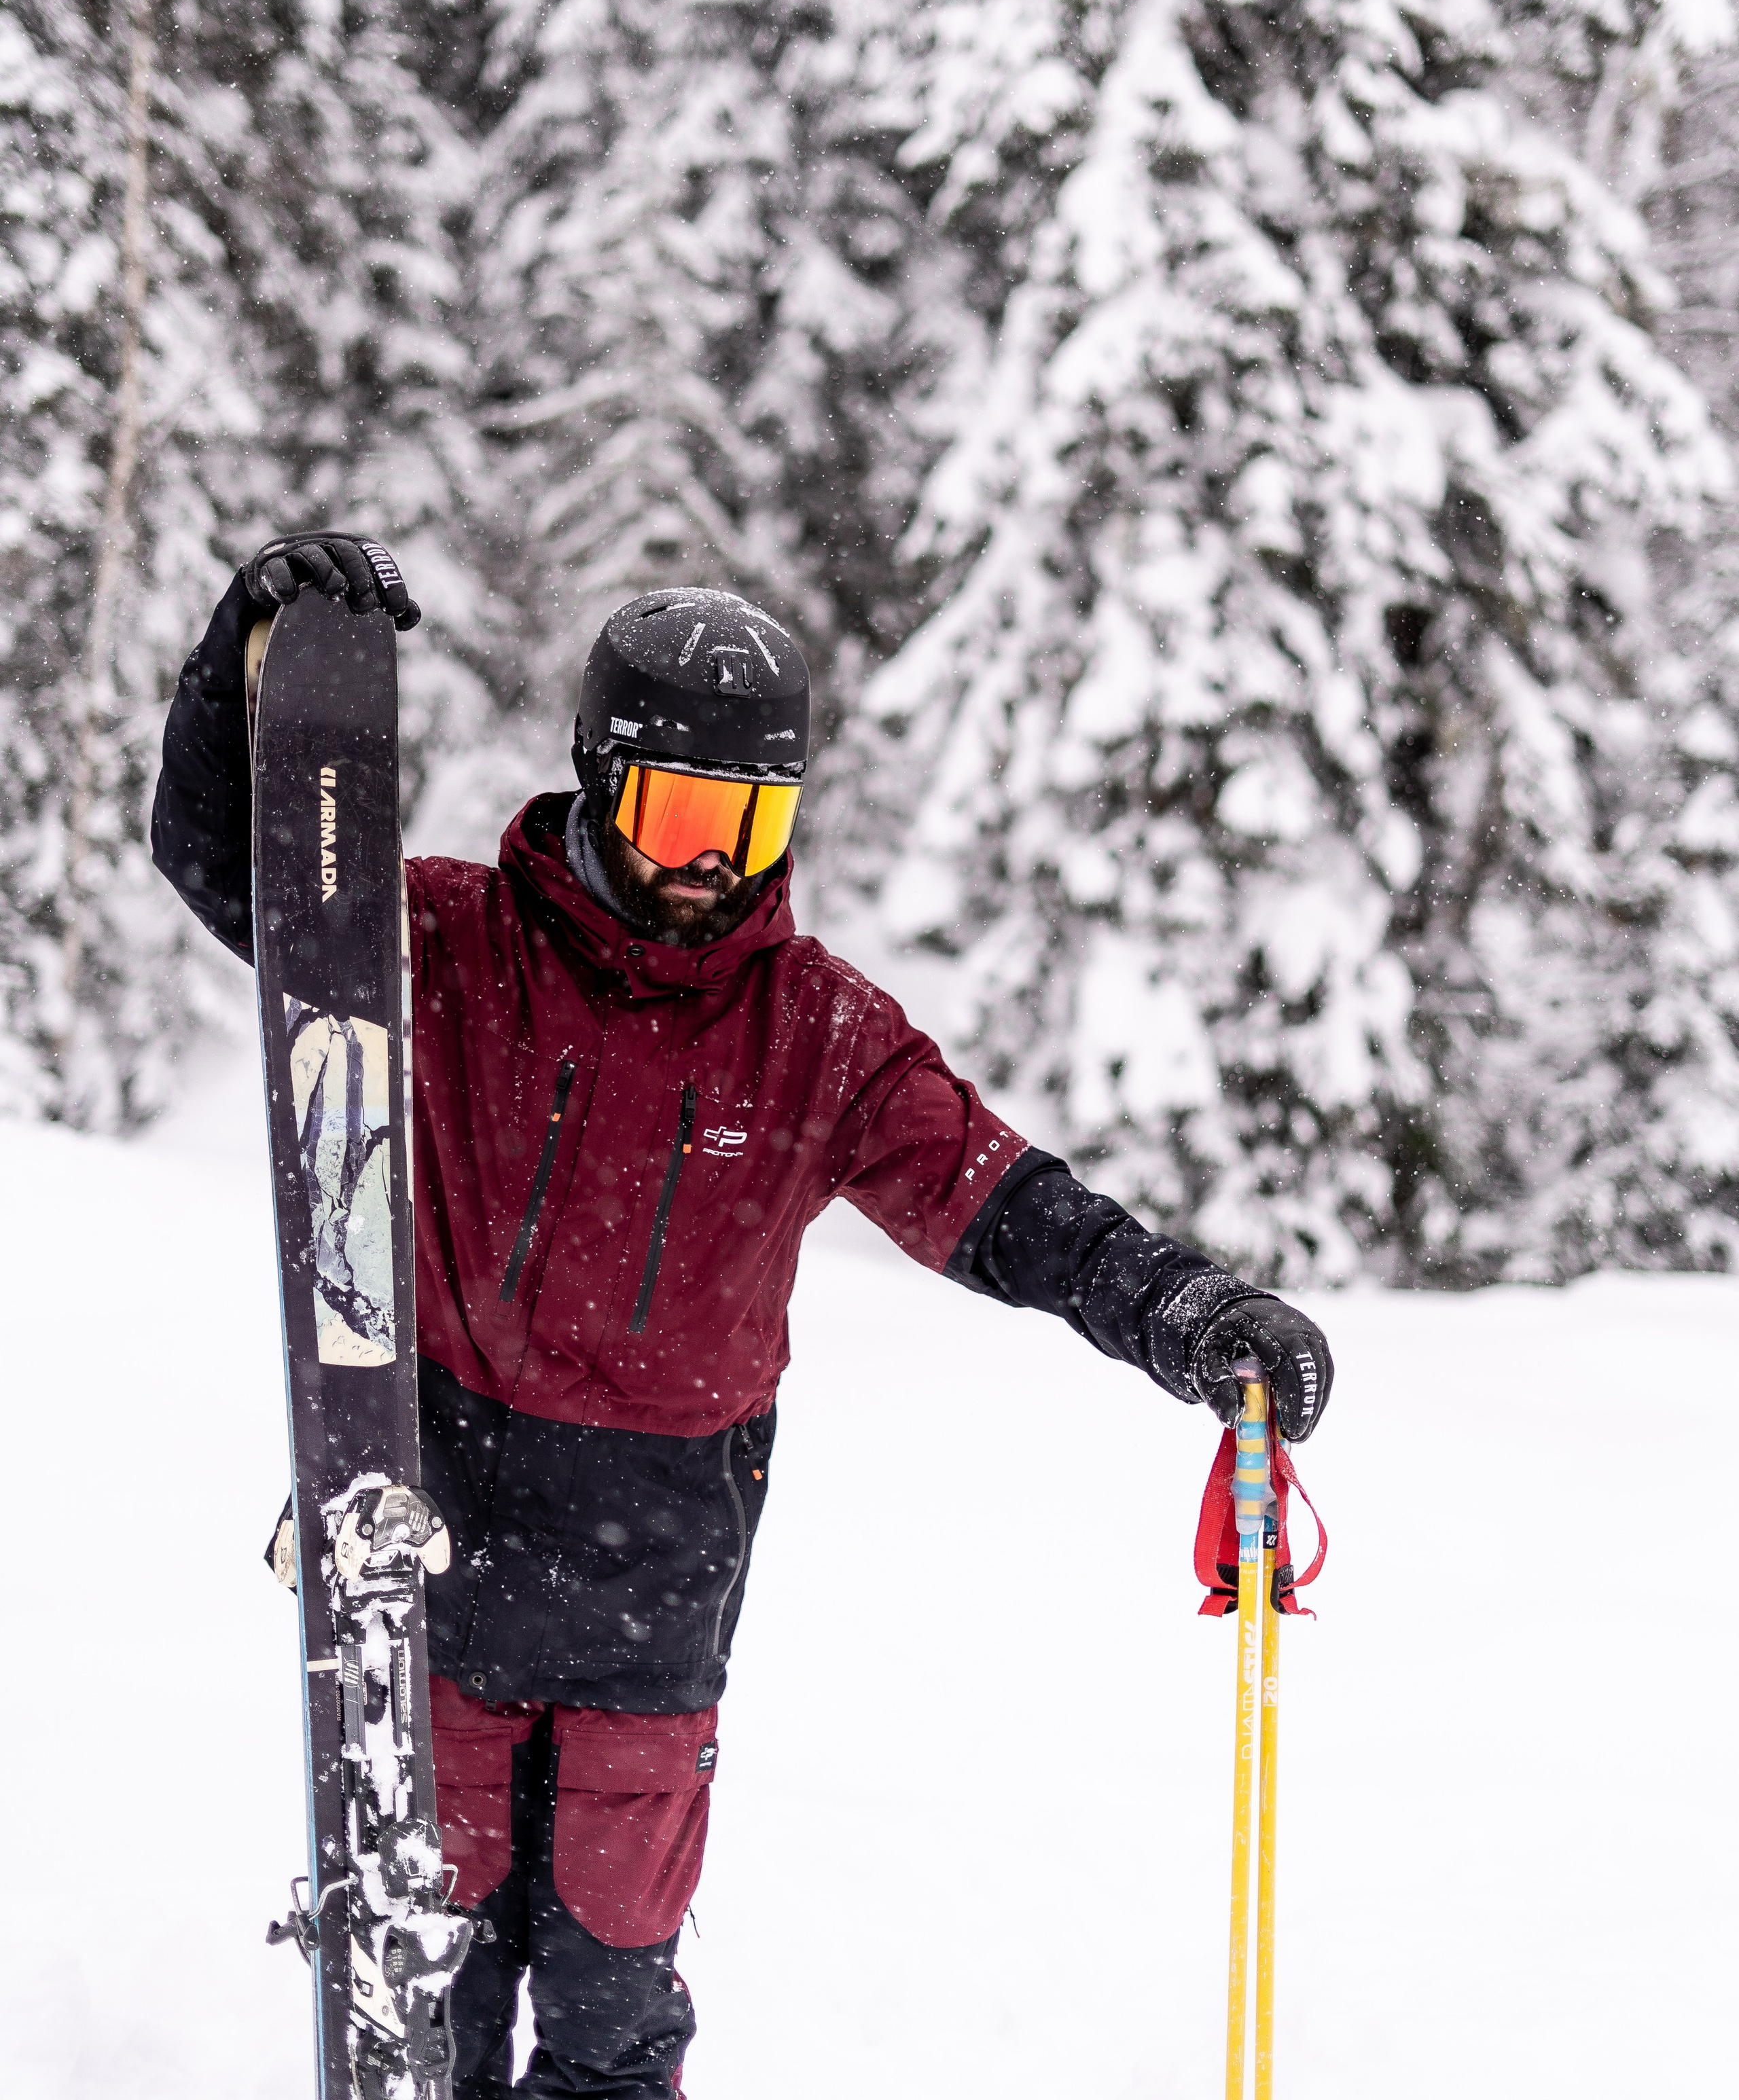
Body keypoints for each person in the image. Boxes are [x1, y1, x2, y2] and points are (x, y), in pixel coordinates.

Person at [151, 531, 1335, 2100]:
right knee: (427, 1991)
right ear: (599, 780)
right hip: (442, 1547)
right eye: (682, 810)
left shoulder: (818, 1033)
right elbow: (230, 868)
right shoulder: (444, 944)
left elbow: (1005, 1204)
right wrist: (246, 657)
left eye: (749, 817)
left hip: (659, 1582)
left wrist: (1181, 1309)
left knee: (613, 2014)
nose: (712, 857)